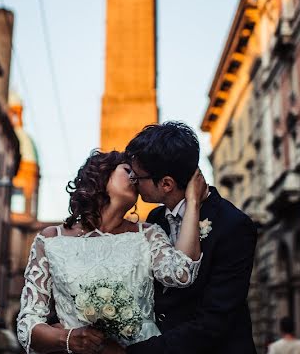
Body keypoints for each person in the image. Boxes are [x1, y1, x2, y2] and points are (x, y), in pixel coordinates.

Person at [17, 148, 206, 353]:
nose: (135, 177)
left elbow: (182, 273)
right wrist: (67, 338)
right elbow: (28, 325)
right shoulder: (51, 239)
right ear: (100, 175)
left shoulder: (149, 234)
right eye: (127, 170)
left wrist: (192, 203)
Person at [103, 121, 258, 354]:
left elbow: (213, 322)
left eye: (138, 177)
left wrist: (134, 352)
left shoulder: (233, 226)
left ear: (166, 184)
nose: (133, 180)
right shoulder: (155, 219)